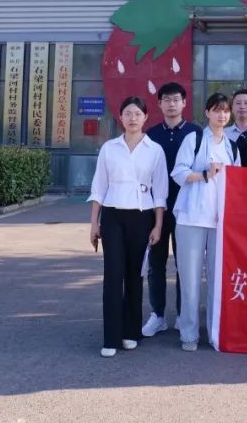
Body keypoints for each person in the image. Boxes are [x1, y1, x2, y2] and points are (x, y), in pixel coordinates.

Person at [88, 96, 167, 358]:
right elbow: (99, 187)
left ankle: (131, 332)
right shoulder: (109, 148)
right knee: (113, 276)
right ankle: (111, 337)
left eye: (137, 114)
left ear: (146, 117)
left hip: (142, 216)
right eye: (128, 113)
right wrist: (94, 223)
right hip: (112, 216)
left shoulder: (154, 150)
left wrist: (158, 225)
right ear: (120, 117)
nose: (133, 118)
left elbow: (160, 192)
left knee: (135, 275)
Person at [171, 92, 241, 352]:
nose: (222, 115)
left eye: (225, 110)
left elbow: (237, 183)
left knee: (217, 279)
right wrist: (204, 174)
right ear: (207, 113)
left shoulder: (232, 146)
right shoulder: (195, 138)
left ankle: (214, 332)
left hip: (220, 221)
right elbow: (178, 172)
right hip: (191, 216)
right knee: (190, 280)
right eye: (216, 110)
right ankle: (189, 334)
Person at [142, 82, 200, 338]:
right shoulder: (151, 135)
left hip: (186, 208)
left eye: (176, 99)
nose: (172, 104)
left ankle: (181, 314)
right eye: (167, 99)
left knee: (184, 265)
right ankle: (157, 315)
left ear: (184, 103)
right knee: (155, 263)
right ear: (159, 104)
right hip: (157, 209)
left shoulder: (196, 133)